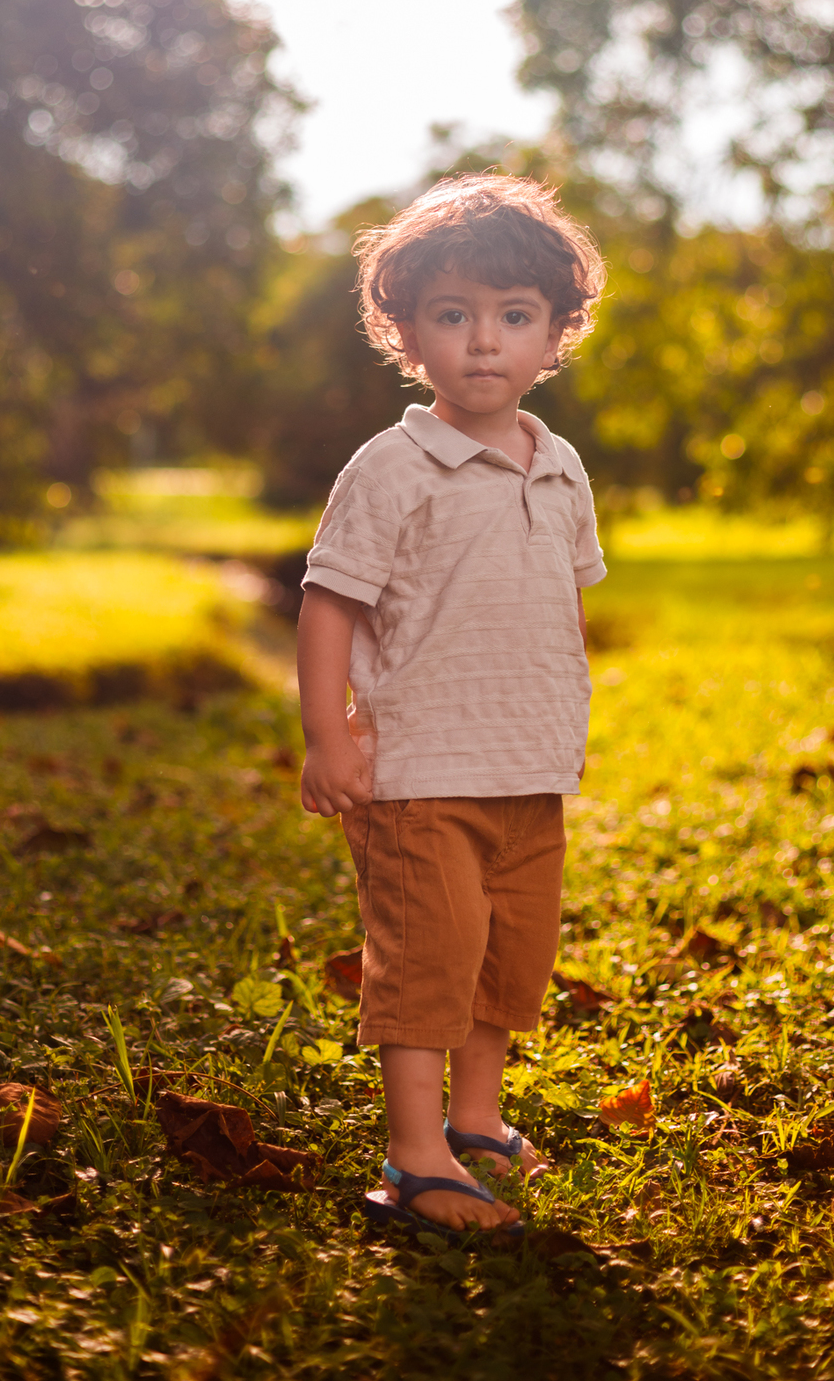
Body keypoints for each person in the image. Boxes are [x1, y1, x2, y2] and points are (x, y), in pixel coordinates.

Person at [296, 174, 607, 1235]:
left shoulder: (559, 466)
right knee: (429, 962)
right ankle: (416, 1159)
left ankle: (476, 1121)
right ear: (408, 333)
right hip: (421, 774)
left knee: (508, 959)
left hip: (528, 768)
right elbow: (329, 604)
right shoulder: (392, 466)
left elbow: (562, 604)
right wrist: (329, 735)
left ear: (555, 333)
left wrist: (565, 719)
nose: (485, 342)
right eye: (454, 315)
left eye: (514, 317)